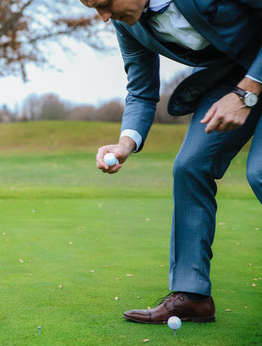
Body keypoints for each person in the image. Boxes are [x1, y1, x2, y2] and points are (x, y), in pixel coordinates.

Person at [79, 0, 262, 323]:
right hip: (229, 82)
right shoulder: (128, 24)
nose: (104, 18)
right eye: (95, 8)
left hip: (250, 79)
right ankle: (192, 296)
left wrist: (248, 91)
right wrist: (126, 142)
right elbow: (141, 89)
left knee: (259, 171)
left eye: (105, 4)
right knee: (190, 166)